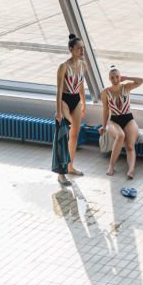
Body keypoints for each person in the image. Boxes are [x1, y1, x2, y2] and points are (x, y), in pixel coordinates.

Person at [100, 66, 143, 179]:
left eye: (117, 77)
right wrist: (103, 126)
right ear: (109, 79)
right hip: (114, 120)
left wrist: (127, 78)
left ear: (120, 77)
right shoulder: (105, 92)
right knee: (120, 135)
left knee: (130, 146)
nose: (115, 80)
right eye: (112, 77)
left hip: (128, 118)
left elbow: (141, 81)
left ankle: (131, 170)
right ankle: (111, 166)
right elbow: (105, 110)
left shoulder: (126, 87)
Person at [54, 33, 87, 182]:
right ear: (71, 49)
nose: (82, 51)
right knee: (63, 135)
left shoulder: (83, 65)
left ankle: (70, 166)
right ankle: (61, 173)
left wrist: (84, 103)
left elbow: (81, 86)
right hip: (65, 100)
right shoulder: (63, 67)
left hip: (76, 99)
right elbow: (59, 90)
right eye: (79, 48)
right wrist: (58, 111)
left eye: (83, 48)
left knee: (74, 135)